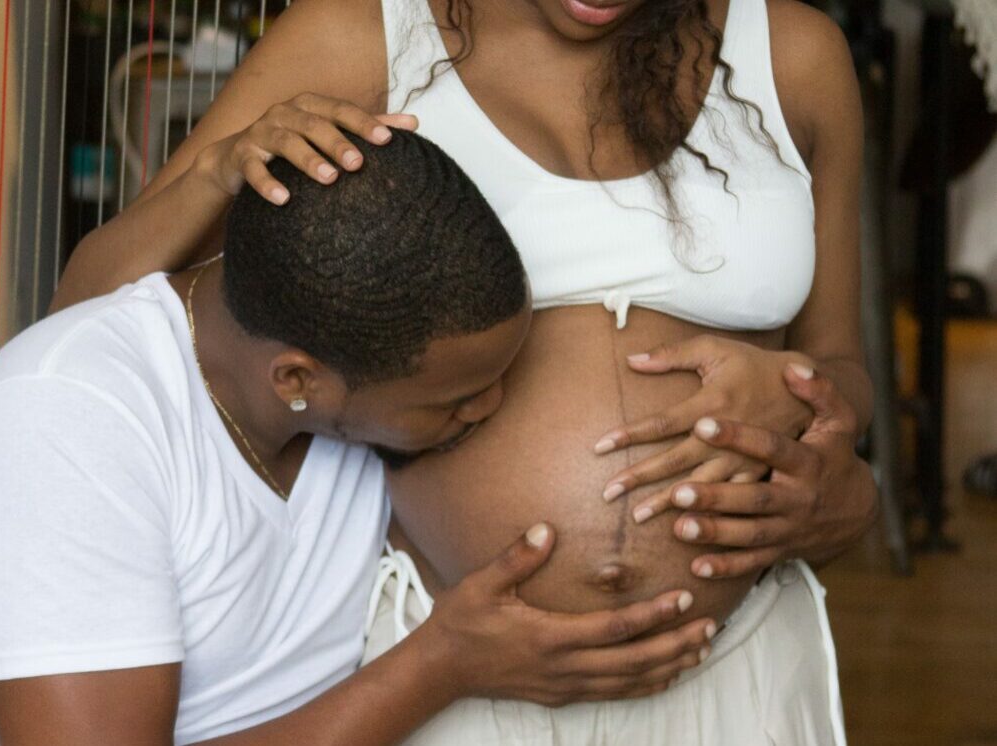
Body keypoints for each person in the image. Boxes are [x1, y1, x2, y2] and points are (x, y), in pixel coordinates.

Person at [53, 0, 879, 742]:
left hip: (733, 660)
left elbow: (842, 364)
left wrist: (802, 397)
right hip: (445, 656)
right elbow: (89, 315)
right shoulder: (362, 33)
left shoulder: (792, 55)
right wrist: (215, 169)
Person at [0, 133, 718, 746]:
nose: (492, 408)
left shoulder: (324, 359)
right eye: (455, 399)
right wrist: (444, 665)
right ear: (298, 381)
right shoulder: (66, 426)